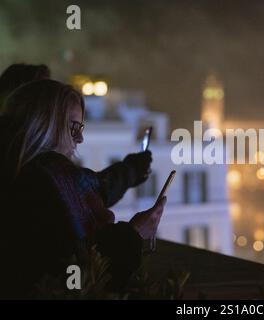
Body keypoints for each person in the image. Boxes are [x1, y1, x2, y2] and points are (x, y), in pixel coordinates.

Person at [0, 79, 166, 298]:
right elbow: (72, 275)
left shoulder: (21, 171)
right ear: (45, 124)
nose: (80, 138)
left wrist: (132, 169)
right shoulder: (48, 182)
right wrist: (134, 233)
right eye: (73, 127)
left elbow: (99, 186)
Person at [0, 63, 151, 209]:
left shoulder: (25, 170)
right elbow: (89, 194)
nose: (79, 139)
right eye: (45, 91)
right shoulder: (45, 180)